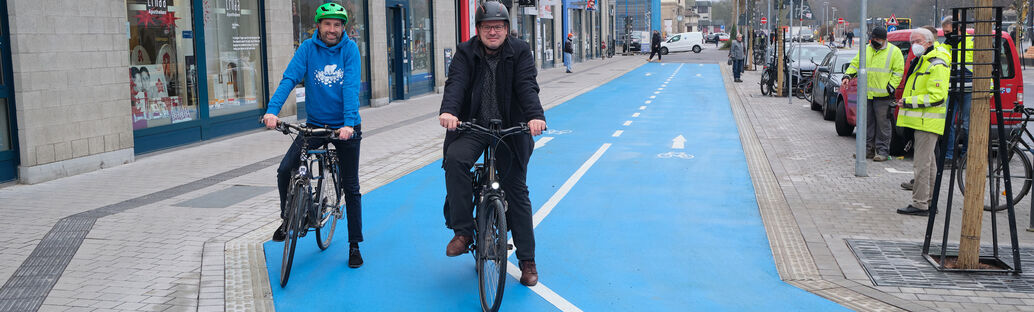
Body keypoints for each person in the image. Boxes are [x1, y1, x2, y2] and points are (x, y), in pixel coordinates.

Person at [438, 0, 547, 287]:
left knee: (517, 191)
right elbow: (456, 84)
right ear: (478, 30)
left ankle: (527, 260)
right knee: (455, 160)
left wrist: (535, 116)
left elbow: (526, 86)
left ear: (507, 29)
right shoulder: (465, 52)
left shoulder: (520, 51)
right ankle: (463, 233)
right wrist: (449, 111)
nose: (493, 32)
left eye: (498, 27)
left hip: (510, 129)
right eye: (487, 27)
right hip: (473, 126)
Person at [262, 3, 365, 268]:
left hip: (345, 126)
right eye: (328, 24)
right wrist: (272, 111)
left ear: (344, 28)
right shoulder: (308, 48)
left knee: (351, 187)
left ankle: (354, 245)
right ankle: (289, 219)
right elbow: (289, 79)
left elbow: (351, 87)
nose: (332, 30)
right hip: (316, 125)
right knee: (285, 170)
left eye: (337, 25)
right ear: (318, 25)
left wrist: (349, 124)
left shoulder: (350, 49)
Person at [895, 28, 951, 216]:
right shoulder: (924, 60)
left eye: (917, 41)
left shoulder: (936, 63)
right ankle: (930, 202)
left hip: (927, 122)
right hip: (922, 121)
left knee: (922, 165)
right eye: (912, 42)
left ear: (928, 41)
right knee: (929, 164)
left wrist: (909, 102)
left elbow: (937, 96)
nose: (914, 45)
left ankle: (920, 204)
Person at [842, 26, 904, 162]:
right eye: (873, 38)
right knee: (866, 124)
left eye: (877, 39)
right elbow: (855, 64)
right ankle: (867, 150)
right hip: (867, 95)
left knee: (883, 126)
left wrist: (890, 87)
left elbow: (898, 72)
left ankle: (882, 151)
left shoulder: (894, 52)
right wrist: (847, 75)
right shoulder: (866, 49)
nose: (874, 41)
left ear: (884, 40)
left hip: (884, 96)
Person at [939, 16, 975, 168]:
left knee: (967, 125)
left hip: (968, 89)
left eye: (948, 31)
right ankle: (948, 157)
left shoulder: (972, 43)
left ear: (958, 29)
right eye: (944, 32)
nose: (946, 35)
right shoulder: (945, 45)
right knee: (947, 123)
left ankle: (965, 157)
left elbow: (985, 67)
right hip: (950, 89)